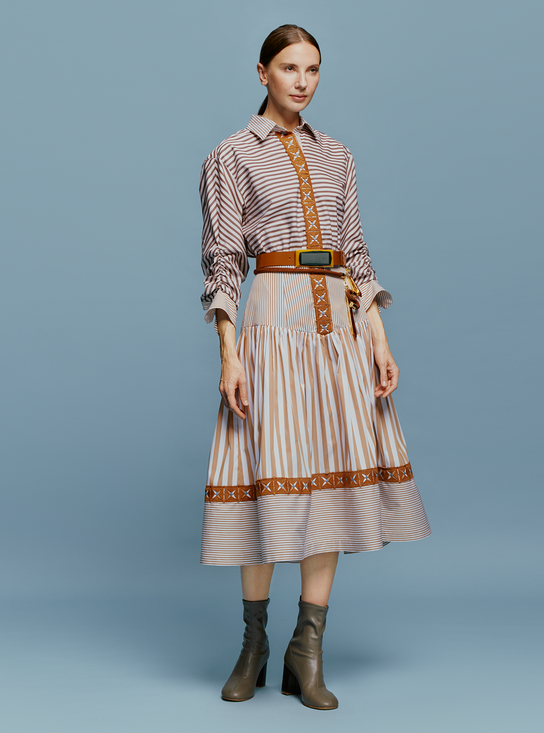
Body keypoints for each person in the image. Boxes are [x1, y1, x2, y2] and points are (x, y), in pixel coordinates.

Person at [199, 24, 431, 710]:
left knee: (326, 481)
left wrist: (379, 339)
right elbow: (221, 261)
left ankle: (308, 648)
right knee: (268, 474)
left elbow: (357, 252)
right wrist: (229, 351)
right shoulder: (231, 155)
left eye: (313, 69)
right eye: (289, 67)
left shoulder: (339, 157)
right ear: (262, 73)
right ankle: (254, 643)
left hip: (340, 328)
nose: (302, 80)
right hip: (272, 322)